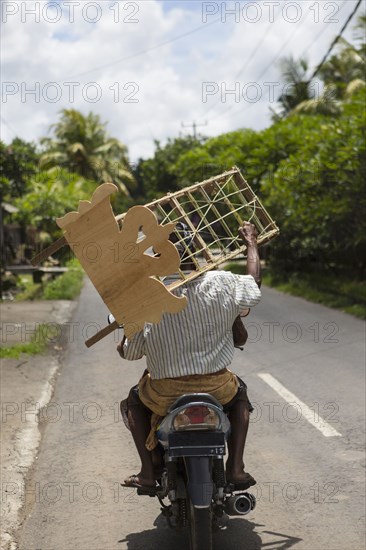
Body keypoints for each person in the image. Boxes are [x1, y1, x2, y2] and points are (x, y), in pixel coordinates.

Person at [117, 221, 261, 490]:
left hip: (164, 393)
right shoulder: (223, 282)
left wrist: (125, 336)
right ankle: (236, 467)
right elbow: (253, 284)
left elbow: (131, 352)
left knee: (133, 401)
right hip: (217, 389)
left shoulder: (143, 296)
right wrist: (251, 243)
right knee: (240, 394)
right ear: (194, 249)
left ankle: (148, 472)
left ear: (154, 256)